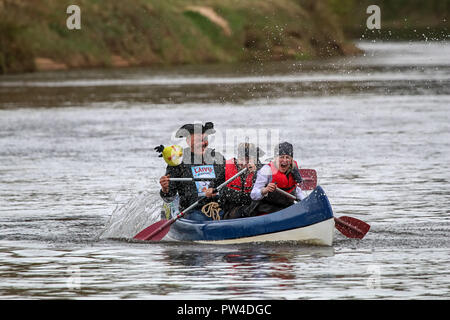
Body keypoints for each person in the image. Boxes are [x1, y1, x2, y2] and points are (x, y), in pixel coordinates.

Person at [159, 122, 225, 221]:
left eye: (205, 139)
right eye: (199, 140)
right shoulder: (178, 161)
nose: (203, 143)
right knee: (198, 218)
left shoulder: (217, 157)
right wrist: (165, 189)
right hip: (192, 211)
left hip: (219, 207)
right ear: (188, 141)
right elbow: (169, 198)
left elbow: (228, 182)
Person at [206, 142, 264, 219]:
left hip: (251, 206)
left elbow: (263, 188)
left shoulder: (260, 169)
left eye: (247, 159)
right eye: (241, 158)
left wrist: (256, 172)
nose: (244, 163)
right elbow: (215, 184)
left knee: (258, 208)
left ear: (253, 159)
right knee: (241, 212)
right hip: (231, 208)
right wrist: (210, 189)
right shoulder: (227, 166)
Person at [250, 141, 306, 214]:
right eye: (281, 157)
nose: (285, 160)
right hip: (266, 209)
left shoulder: (293, 170)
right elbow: (253, 195)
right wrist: (265, 190)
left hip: (286, 208)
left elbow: (296, 190)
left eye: (288, 157)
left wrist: (306, 202)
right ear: (275, 158)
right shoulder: (266, 170)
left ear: (291, 160)